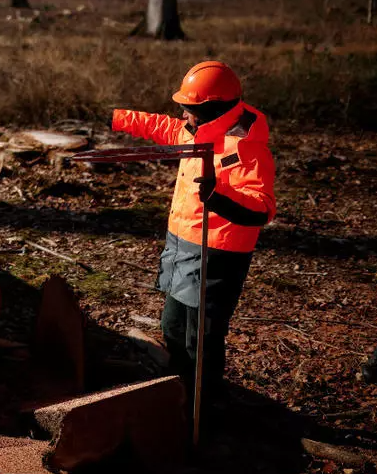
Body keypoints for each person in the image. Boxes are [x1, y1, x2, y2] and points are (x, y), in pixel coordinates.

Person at [110, 61, 276, 405]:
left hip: (218, 255)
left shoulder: (245, 147)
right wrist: (117, 118)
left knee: (200, 341)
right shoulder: (196, 130)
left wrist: (219, 194)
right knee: (172, 327)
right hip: (182, 243)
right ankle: (180, 392)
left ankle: (205, 406)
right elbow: (163, 127)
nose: (184, 116)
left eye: (190, 109)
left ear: (213, 110)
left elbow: (261, 208)